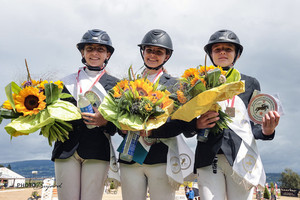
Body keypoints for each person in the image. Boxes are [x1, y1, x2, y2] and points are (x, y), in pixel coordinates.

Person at [187, 29, 280, 200]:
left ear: (237, 55)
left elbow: (255, 126)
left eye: (228, 49)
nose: (222, 52)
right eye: (217, 49)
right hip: (208, 157)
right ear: (210, 54)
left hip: (242, 158)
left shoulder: (250, 83)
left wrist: (268, 130)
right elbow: (186, 125)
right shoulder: (198, 82)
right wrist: (196, 125)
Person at [119, 29, 197, 200]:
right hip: (130, 156)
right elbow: (118, 118)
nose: (153, 55)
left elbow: (181, 124)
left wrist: (152, 132)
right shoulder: (129, 83)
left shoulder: (176, 85)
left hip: (161, 158)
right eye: (149, 50)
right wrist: (122, 128)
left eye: (159, 52)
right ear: (143, 52)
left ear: (167, 56)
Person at [51, 29, 119, 200]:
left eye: (100, 49)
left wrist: (105, 122)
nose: (94, 53)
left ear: (108, 54)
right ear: (82, 52)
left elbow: (120, 125)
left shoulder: (116, 85)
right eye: (89, 48)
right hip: (66, 149)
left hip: (97, 150)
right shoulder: (65, 82)